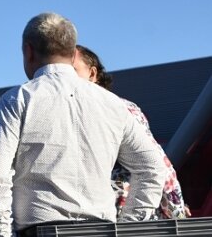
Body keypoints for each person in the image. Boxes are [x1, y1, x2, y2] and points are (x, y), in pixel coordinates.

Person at [0, 13, 166, 237]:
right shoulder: (113, 104)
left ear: (28, 51)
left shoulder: (18, 100)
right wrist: (129, 227)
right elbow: (151, 167)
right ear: (74, 52)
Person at [74, 45, 190, 219]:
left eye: (72, 70)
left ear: (92, 74)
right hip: (95, 215)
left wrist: (176, 212)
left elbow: (157, 163)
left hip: (123, 214)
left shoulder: (120, 109)